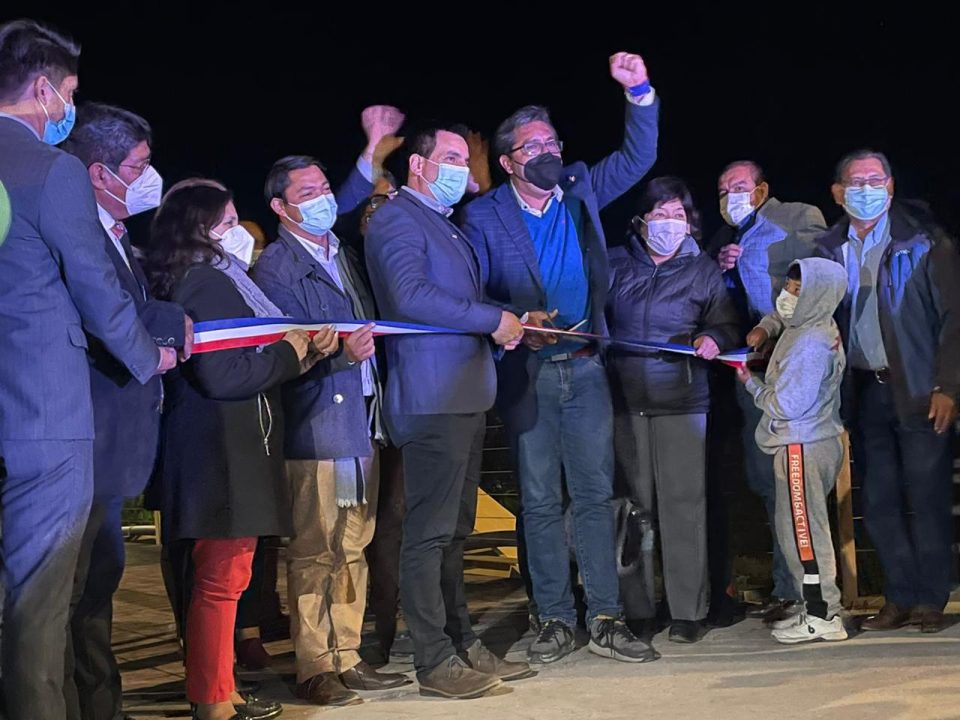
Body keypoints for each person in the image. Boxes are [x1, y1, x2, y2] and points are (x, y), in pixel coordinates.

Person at [0, 20, 176, 718]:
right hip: (42, 412)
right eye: (69, 93)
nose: (68, 107)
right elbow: (96, 289)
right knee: (39, 601)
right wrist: (149, 357)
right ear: (44, 88)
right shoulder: (52, 169)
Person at [460, 51, 660, 664]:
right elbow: (473, 292)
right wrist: (518, 323)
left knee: (595, 495)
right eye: (534, 146)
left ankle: (606, 616)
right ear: (507, 161)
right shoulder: (482, 215)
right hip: (529, 373)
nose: (548, 152)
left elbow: (637, 158)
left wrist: (639, 92)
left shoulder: (577, 190)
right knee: (541, 499)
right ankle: (553, 618)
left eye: (553, 142)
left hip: (587, 364)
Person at [146, 180, 335, 720]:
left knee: (226, 577)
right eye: (228, 221)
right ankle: (212, 699)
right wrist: (290, 354)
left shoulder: (207, 278)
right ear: (201, 229)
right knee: (220, 578)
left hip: (226, 446)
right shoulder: (207, 281)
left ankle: (222, 688)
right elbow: (222, 373)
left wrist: (300, 354)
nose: (238, 231)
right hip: (222, 450)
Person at [365, 124, 530, 699]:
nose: (463, 169)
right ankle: (433, 660)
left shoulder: (443, 223)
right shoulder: (396, 219)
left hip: (464, 394)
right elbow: (409, 296)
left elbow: (462, 301)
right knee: (429, 534)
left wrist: (509, 318)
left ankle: (463, 643)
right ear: (418, 165)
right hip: (431, 398)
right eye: (452, 158)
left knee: (454, 532)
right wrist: (490, 320)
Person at [253, 155, 410, 706]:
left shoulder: (342, 253)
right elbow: (282, 351)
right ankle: (314, 665)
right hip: (316, 422)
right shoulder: (276, 267)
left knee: (354, 545)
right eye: (308, 192)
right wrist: (340, 354)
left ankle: (348, 654)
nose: (322, 199)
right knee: (314, 548)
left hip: (360, 421)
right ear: (280, 206)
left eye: (325, 187)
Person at [59, 101, 190, 720]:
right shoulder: (77, 236)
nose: (147, 177)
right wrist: (156, 343)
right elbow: (104, 319)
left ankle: (101, 705)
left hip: (116, 447)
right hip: (88, 438)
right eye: (137, 166)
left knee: (97, 586)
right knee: (72, 593)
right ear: (98, 173)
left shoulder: (115, 237)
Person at [814, 150, 960, 633]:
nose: (866, 189)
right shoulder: (827, 249)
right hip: (864, 391)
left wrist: (948, 385)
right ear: (838, 192)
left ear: (891, 187)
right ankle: (898, 596)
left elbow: (954, 320)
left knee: (927, 497)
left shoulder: (924, 243)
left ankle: (931, 600)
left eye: (875, 180)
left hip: (919, 389)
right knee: (878, 502)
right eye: (856, 182)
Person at [606, 177, 739, 643]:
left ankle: (688, 611)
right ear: (641, 221)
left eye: (678, 215)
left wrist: (714, 338)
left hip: (683, 402)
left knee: (685, 506)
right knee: (632, 511)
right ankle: (638, 610)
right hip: (624, 403)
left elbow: (726, 321)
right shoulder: (614, 263)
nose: (669, 223)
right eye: (660, 214)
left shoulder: (702, 270)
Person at [707, 160, 827, 622]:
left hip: (797, 366)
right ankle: (787, 586)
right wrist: (723, 270)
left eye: (738, 186)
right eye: (722, 190)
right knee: (766, 480)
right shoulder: (724, 240)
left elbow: (821, 282)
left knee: (797, 479)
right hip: (752, 371)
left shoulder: (797, 217)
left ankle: (814, 594)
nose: (730, 197)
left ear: (761, 189)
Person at [739, 258, 849, 644]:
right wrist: (766, 328)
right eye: (788, 286)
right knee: (794, 529)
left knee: (805, 532)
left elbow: (788, 404)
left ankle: (823, 613)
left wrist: (751, 383)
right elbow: (780, 318)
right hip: (808, 440)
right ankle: (812, 605)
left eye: (799, 290)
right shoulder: (812, 324)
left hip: (803, 443)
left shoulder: (810, 343)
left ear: (817, 295)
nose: (788, 296)